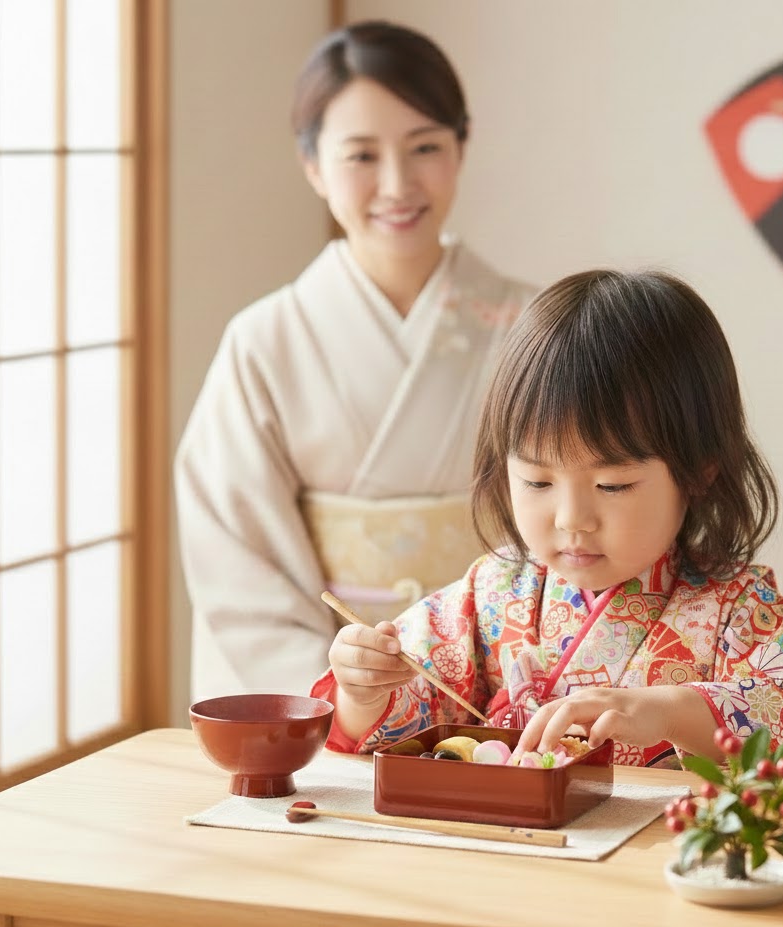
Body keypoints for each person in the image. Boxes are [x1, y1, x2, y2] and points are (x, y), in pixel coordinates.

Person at [308, 269, 783, 927]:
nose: (571, 519)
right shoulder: (493, 591)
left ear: (699, 470)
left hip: (656, 924)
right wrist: (364, 687)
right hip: (490, 901)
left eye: (613, 486)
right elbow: (406, 715)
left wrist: (668, 710)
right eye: (537, 482)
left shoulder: (733, 606)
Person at [175, 22, 536, 701]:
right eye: (361, 155)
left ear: (461, 145)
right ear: (313, 165)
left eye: (424, 147)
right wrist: (341, 698)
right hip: (334, 697)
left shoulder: (535, 328)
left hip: (508, 685)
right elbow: (238, 564)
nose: (397, 184)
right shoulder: (264, 342)